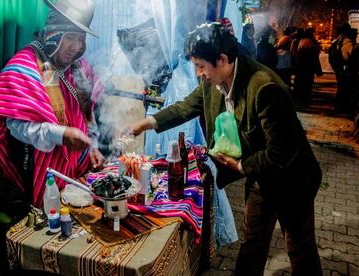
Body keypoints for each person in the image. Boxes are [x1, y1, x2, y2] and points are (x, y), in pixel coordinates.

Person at [124, 22, 322, 275]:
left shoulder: (264, 87)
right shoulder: (213, 81)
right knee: (252, 243)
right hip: (261, 176)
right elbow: (185, 107)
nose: (199, 73)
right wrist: (144, 124)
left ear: (222, 59)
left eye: (200, 66)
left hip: (293, 179)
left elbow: (282, 151)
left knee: (299, 248)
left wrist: (239, 165)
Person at [0, 0, 104, 208]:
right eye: (69, 37)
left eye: (81, 38)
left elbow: (88, 115)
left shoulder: (80, 68)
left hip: (79, 176)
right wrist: (60, 135)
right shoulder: (24, 67)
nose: (76, 47)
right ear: (53, 32)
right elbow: (17, 128)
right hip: (40, 176)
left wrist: (93, 145)